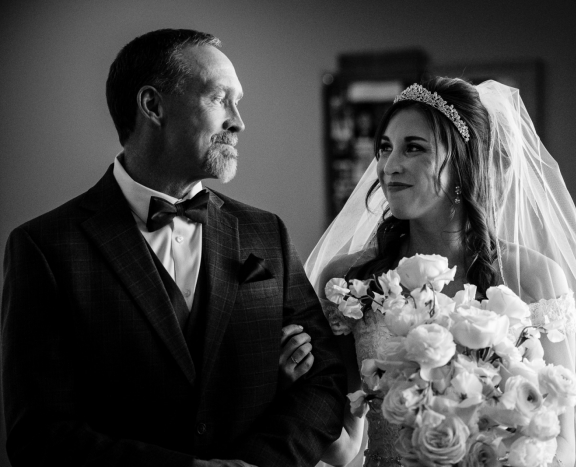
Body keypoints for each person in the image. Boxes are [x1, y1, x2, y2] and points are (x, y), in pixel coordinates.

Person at [1, 28, 346, 466]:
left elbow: (326, 380)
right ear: (153, 106)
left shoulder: (265, 232)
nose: (238, 121)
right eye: (220, 98)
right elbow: (39, 435)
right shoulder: (45, 248)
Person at [296, 77, 576, 467]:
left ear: (465, 163)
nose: (388, 166)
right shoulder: (349, 282)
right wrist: (294, 383)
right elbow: (344, 449)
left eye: (413, 148)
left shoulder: (534, 278)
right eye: (385, 148)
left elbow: (562, 440)